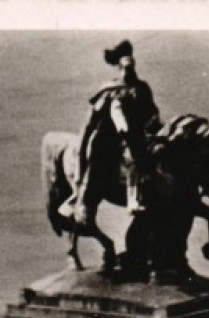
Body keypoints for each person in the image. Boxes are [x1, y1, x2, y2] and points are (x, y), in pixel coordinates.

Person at [70, 40, 162, 225]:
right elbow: (91, 122)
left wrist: (155, 126)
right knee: (127, 160)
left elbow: (152, 113)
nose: (129, 71)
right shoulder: (109, 91)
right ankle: (124, 200)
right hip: (109, 140)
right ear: (120, 68)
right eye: (126, 68)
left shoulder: (142, 88)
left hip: (137, 137)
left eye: (131, 67)